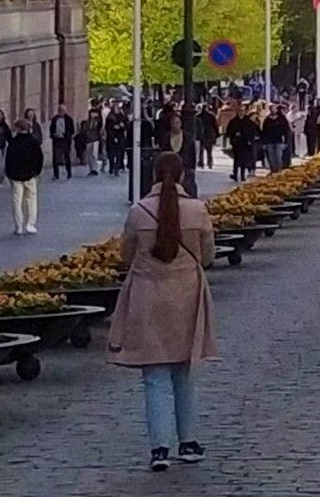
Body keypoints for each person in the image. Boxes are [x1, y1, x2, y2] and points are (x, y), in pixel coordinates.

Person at [109, 153, 217, 472]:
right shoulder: (198, 210)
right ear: (183, 176)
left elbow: (127, 255)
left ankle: (159, 448)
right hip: (186, 295)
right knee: (183, 371)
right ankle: (189, 442)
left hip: (147, 296)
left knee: (154, 375)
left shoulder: (138, 212)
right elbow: (208, 256)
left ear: (154, 175)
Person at [5, 119, 45, 236]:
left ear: (18, 129)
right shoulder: (33, 142)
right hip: (30, 175)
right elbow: (39, 158)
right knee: (31, 199)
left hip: (16, 175)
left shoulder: (14, 143)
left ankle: (19, 225)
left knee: (17, 201)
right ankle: (30, 224)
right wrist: (36, 172)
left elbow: (9, 159)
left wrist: (9, 174)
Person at [227, 108, 260, 181]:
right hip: (236, 143)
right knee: (236, 159)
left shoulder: (249, 122)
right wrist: (234, 135)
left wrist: (250, 140)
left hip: (245, 143)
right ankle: (235, 174)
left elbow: (254, 131)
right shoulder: (233, 121)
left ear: (245, 112)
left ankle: (242, 175)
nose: (241, 112)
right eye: (240, 111)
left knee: (244, 160)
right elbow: (229, 131)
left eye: (243, 111)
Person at [49, 104, 76, 181]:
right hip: (57, 140)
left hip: (65, 140)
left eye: (63, 110)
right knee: (56, 157)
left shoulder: (69, 119)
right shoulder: (55, 119)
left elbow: (72, 130)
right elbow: (51, 129)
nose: (62, 112)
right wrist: (54, 135)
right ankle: (56, 174)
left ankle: (69, 173)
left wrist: (65, 135)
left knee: (67, 156)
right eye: (60, 110)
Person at [261, 106, 290, 173]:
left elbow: (285, 131)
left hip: (279, 141)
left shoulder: (281, 119)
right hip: (269, 141)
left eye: (274, 109)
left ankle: (279, 171)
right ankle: (273, 171)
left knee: (278, 157)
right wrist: (264, 143)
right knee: (271, 158)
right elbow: (264, 132)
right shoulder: (267, 120)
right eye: (271, 109)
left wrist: (286, 142)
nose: (273, 111)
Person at [105, 106, 130, 176]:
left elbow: (127, 126)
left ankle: (117, 168)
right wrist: (113, 136)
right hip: (111, 138)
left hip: (120, 137)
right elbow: (108, 128)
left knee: (119, 154)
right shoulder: (110, 117)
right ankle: (111, 167)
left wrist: (122, 126)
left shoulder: (123, 117)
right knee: (111, 155)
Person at [81, 105, 103, 176]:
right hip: (88, 139)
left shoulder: (98, 121)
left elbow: (100, 125)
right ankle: (91, 169)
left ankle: (95, 169)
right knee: (89, 155)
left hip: (95, 139)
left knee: (94, 154)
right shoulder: (87, 121)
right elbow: (84, 129)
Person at [195, 104, 218, 168]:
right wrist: (216, 134)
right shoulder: (211, 116)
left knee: (201, 150)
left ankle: (201, 163)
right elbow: (215, 126)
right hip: (209, 134)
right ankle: (210, 163)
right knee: (209, 151)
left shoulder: (198, 116)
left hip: (201, 135)